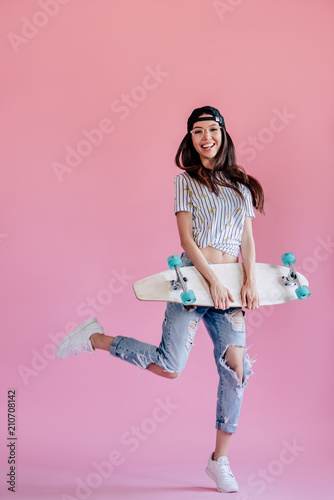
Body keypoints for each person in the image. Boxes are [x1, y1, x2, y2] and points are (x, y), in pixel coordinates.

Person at [56, 106, 265, 493]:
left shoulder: (242, 186)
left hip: (232, 287)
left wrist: (248, 280)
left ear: (223, 134)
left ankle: (220, 461)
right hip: (192, 279)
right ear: (190, 138)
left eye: (212, 129)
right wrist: (211, 280)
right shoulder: (184, 182)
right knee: (170, 367)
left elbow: (247, 240)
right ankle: (96, 338)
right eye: (198, 131)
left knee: (237, 371)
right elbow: (186, 240)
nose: (206, 137)